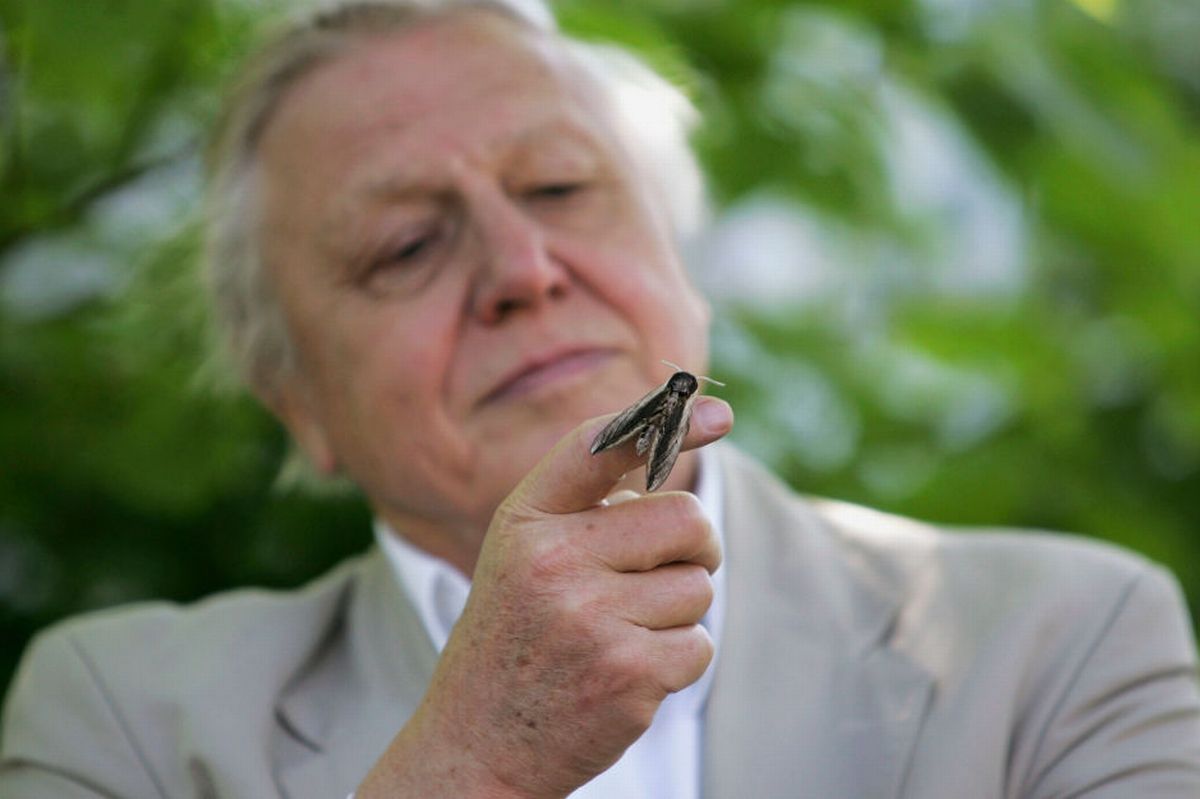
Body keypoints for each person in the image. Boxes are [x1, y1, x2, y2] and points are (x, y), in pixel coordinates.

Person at [3, 1, 1199, 796]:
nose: (523, 270)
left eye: (565, 185)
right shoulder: (118, 714)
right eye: (405, 246)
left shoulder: (1064, 639)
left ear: (680, 258)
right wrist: (467, 762)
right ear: (295, 401)